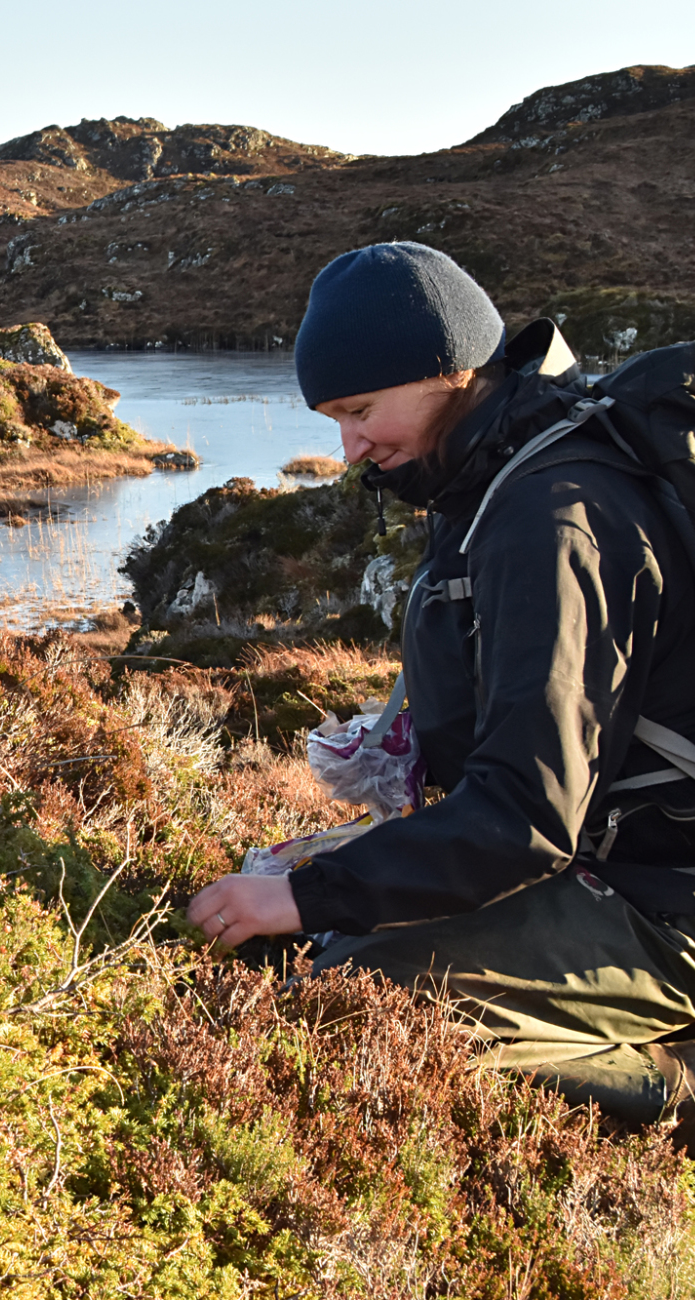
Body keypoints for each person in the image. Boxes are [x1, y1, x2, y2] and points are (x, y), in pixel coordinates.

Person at [187, 241, 695, 1122]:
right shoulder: (489, 471)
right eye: (334, 420)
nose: (347, 447)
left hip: (664, 901)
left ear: (447, 371)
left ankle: (673, 1087)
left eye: (360, 409)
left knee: (354, 1005)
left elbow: (528, 815)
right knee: (304, 941)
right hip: (607, 855)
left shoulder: (552, 519)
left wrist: (309, 895)